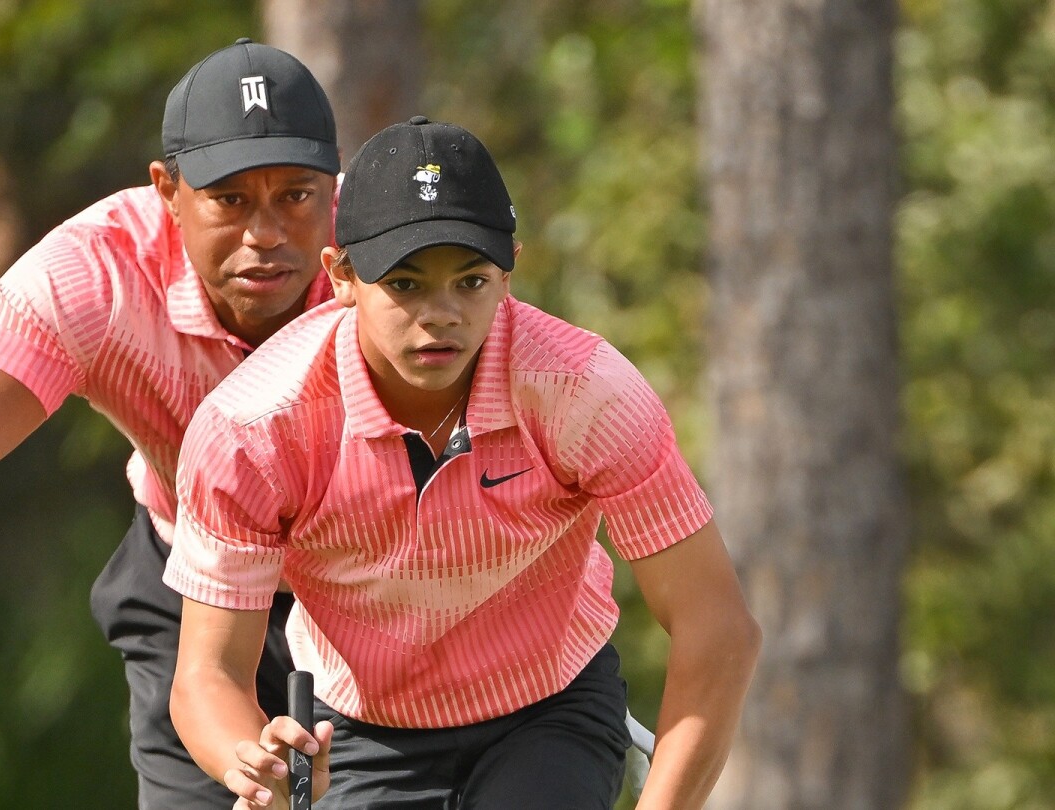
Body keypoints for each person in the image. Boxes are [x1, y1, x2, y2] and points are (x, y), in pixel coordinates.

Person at [0, 39, 341, 809]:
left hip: (373, 588)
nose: (268, 232)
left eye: (296, 195)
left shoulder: (388, 257)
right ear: (168, 191)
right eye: (230, 199)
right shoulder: (97, 273)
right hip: (190, 582)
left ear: (334, 188)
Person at [165, 117, 762, 809]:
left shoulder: (584, 391)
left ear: (509, 272)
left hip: (549, 709)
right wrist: (254, 762)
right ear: (343, 276)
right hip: (359, 731)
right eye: (407, 284)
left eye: (471, 282)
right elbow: (207, 675)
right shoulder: (252, 429)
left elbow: (718, 630)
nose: (440, 315)